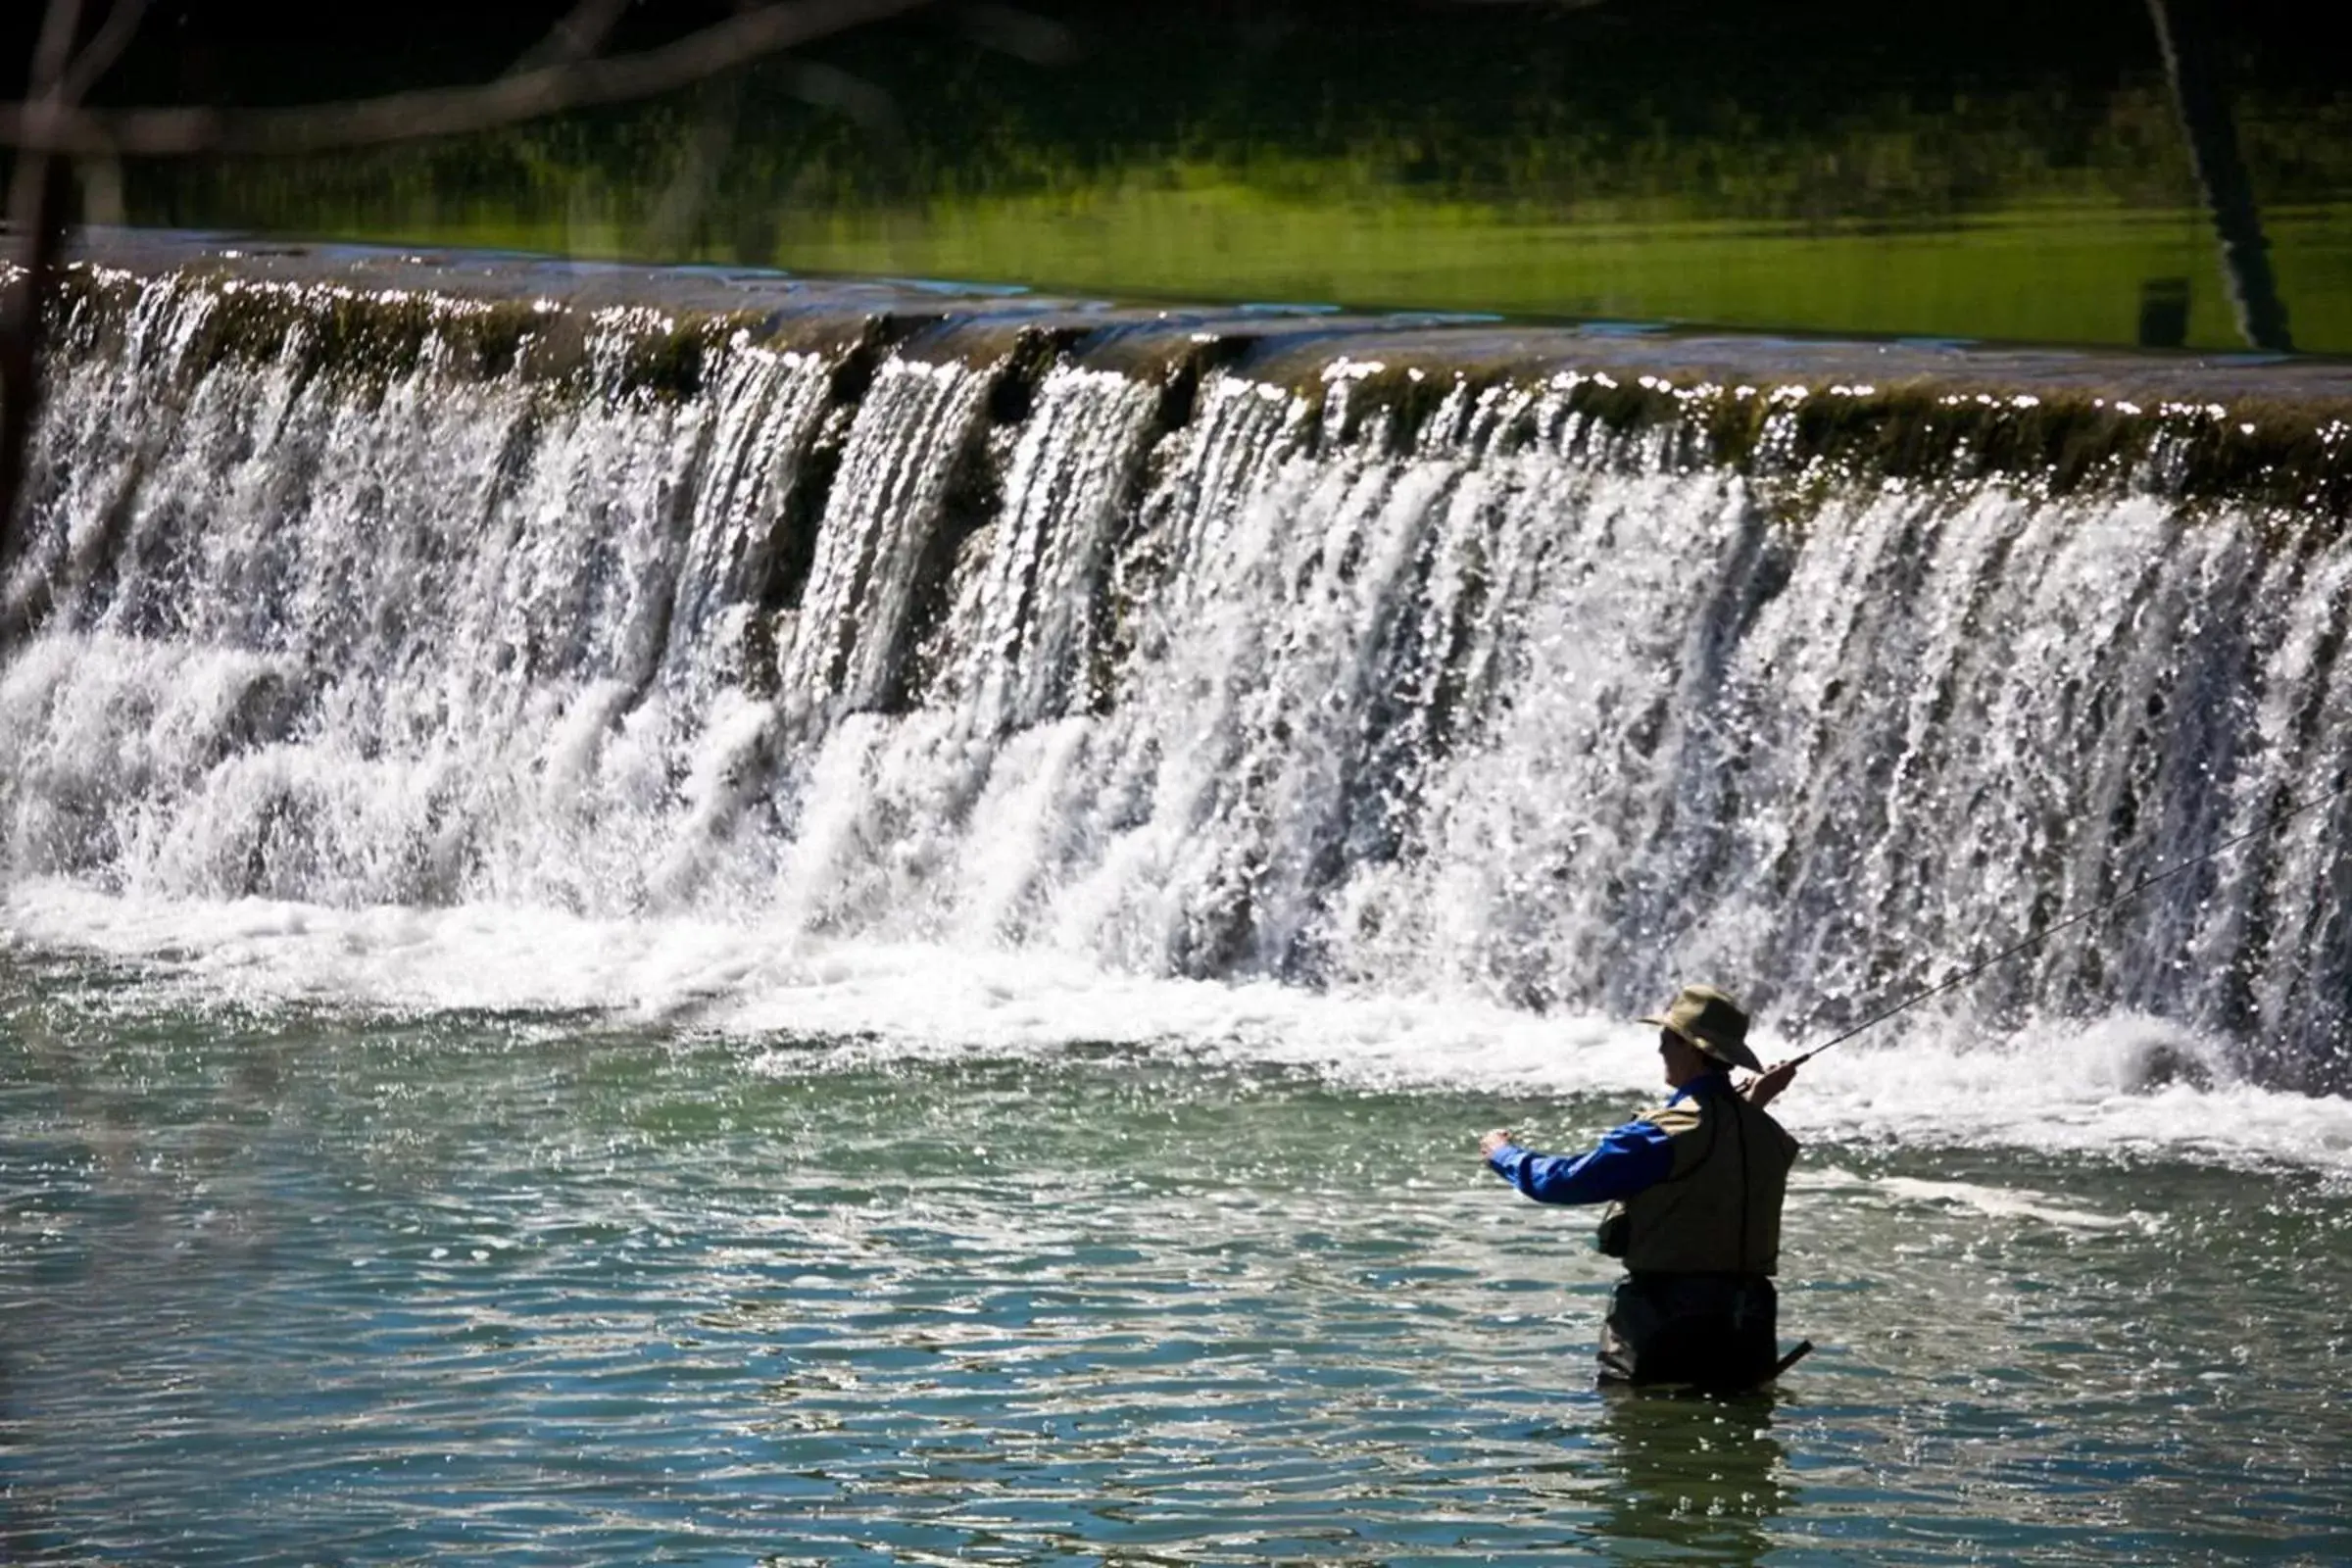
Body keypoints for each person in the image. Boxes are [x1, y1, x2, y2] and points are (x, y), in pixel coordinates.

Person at [1480, 984, 1801, 1391]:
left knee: (1637, 1437)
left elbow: (1563, 1182)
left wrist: (1503, 1155)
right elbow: (1717, 1161)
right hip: (1749, 1331)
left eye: (1666, 1039)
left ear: (1690, 1048)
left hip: (1664, 1326)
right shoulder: (1770, 1136)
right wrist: (1749, 1105)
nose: (1660, 1050)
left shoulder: (1660, 1135)